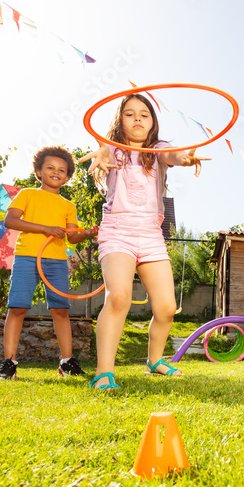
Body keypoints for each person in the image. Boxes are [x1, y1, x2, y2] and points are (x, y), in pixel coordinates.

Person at [81, 94, 208, 393]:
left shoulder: (158, 149)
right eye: (129, 114)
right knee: (119, 297)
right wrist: (101, 153)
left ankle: (155, 361)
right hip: (117, 231)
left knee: (166, 308)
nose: (137, 119)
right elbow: (104, 151)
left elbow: (173, 156)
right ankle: (104, 372)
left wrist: (185, 158)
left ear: (152, 123)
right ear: (119, 121)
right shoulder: (113, 148)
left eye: (144, 114)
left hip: (152, 236)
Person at [0, 146, 98, 380]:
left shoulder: (68, 206)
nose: (56, 172)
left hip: (56, 261)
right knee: (18, 308)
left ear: (68, 177)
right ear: (39, 171)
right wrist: (45, 228)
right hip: (27, 256)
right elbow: (10, 220)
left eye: (62, 170)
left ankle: (66, 362)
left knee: (60, 310)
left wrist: (88, 233)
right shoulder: (28, 194)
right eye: (50, 167)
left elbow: (72, 236)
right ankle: (9, 363)